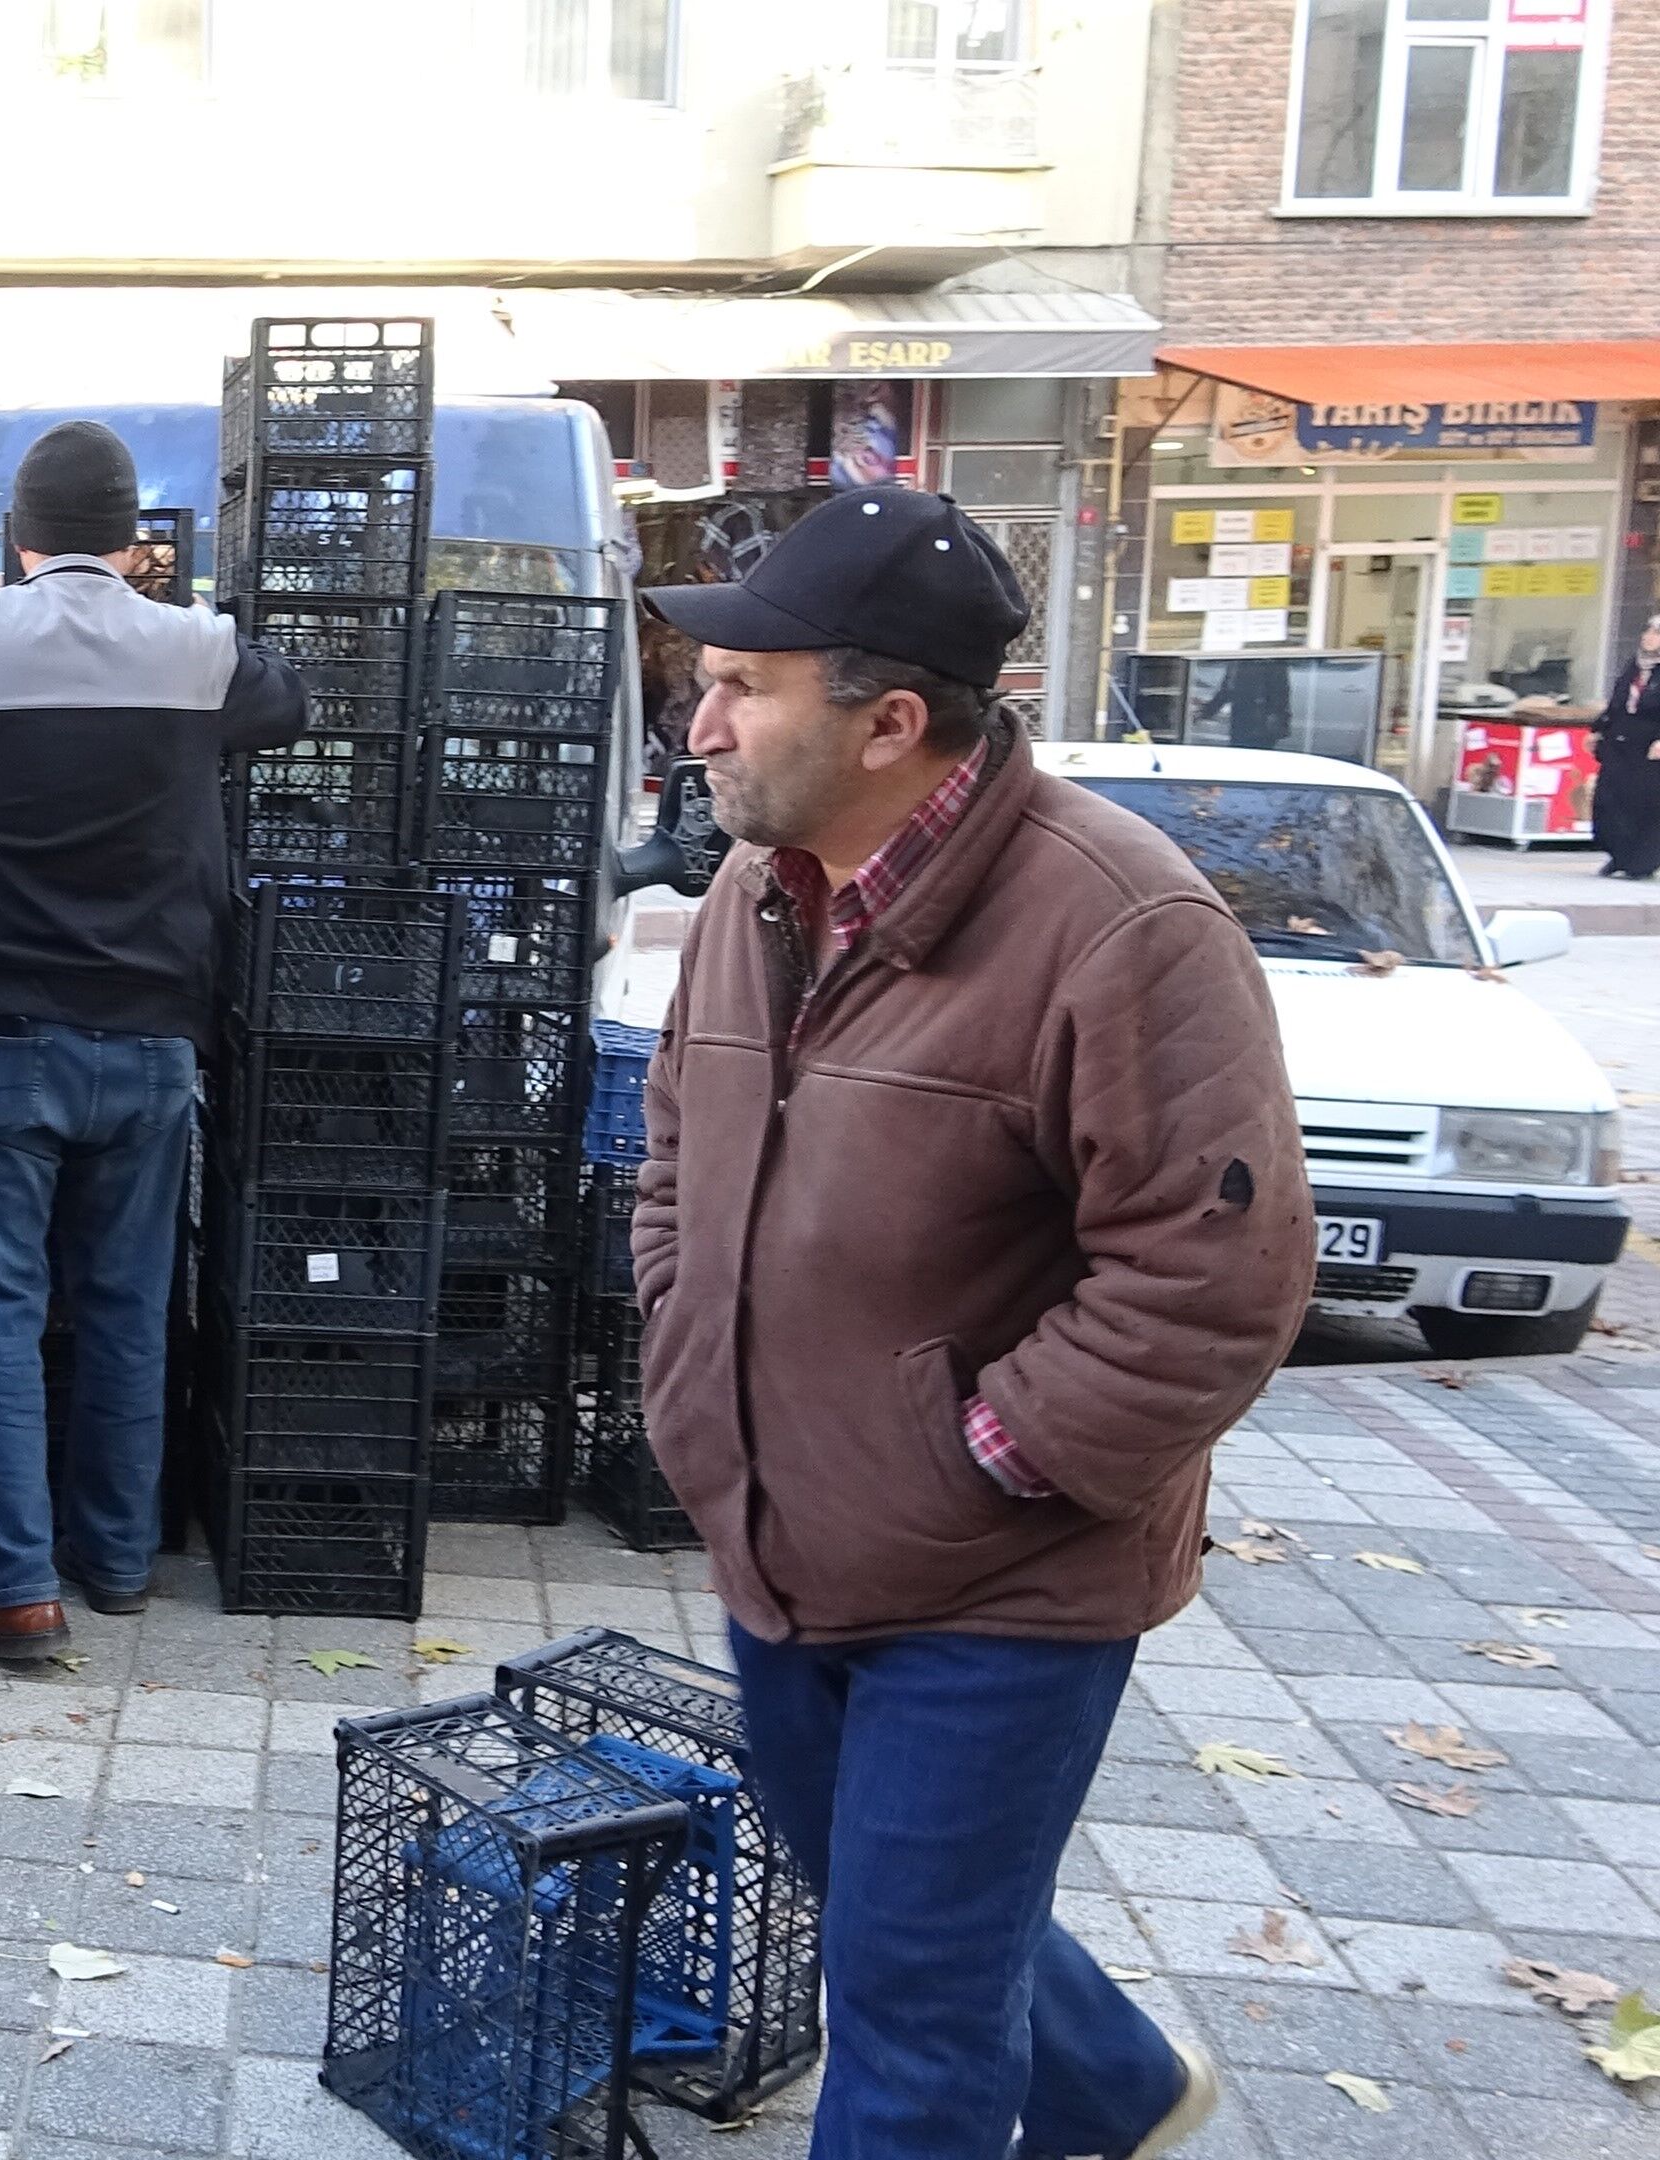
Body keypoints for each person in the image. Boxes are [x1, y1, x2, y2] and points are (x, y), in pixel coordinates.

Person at [633, 486, 1314, 2160]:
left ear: (891, 722)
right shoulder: (756, 889)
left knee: (912, 2029)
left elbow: (1218, 1271)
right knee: (890, 1910)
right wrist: (687, 1369)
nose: (699, 721)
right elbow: (672, 1150)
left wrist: (985, 1457)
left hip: (1002, 1580)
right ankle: (1130, 2098)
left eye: (742, 686)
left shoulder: (1124, 923)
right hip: (779, 1538)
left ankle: (1083, 2096)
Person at [0, 421, 306, 1662]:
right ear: (133, 542)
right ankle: (116, 1563)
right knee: (127, 1305)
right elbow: (287, 703)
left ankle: (13, 1590)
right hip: (151, 1036)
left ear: (17, 536)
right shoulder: (199, 649)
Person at [1589, 613, 1660, 879]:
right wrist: (1598, 729)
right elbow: (1617, 702)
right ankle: (1618, 855)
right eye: (1648, 631)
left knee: (1644, 805)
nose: (1649, 637)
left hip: (1650, 749)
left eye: (1656, 633)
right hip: (1621, 743)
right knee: (1610, 801)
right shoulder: (1635, 666)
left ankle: (1640, 863)